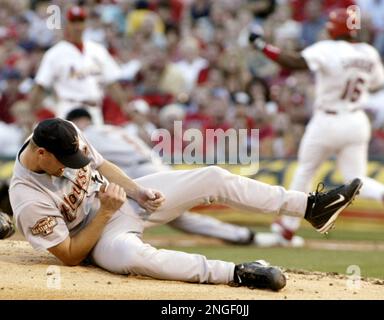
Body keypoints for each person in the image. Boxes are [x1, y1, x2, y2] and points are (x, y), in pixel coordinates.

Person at [9, 118, 361, 291]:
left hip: (118, 201)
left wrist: (137, 191)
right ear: (41, 154)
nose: (73, 164)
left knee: (212, 176)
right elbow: (69, 254)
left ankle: (311, 207)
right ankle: (237, 273)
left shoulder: (64, 132)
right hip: (97, 237)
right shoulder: (27, 197)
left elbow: (101, 166)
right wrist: (105, 213)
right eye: (64, 161)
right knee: (135, 258)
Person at [248, 8, 384, 246]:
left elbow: (293, 62)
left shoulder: (327, 48)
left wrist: (262, 45)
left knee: (305, 171)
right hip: (356, 120)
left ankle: (287, 227)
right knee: (357, 178)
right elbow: (378, 82)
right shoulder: (368, 52)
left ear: (335, 28)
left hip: (328, 119)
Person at [66, 107, 284, 247]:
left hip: (143, 175)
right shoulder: (114, 129)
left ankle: (114, 245)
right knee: (181, 218)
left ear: (76, 122)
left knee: (129, 216)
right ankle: (246, 236)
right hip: (158, 167)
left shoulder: (87, 136)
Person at [28, 6, 128, 125]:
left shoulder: (97, 50)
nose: (77, 26)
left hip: (94, 109)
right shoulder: (55, 53)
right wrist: (30, 112)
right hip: (68, 108)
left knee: (94, 143)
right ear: (67, 25)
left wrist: (125, 107)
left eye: (80, 22)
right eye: (73, 22)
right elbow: (40, 86)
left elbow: (113, 84)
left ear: (85, 24)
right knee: (68, 142)